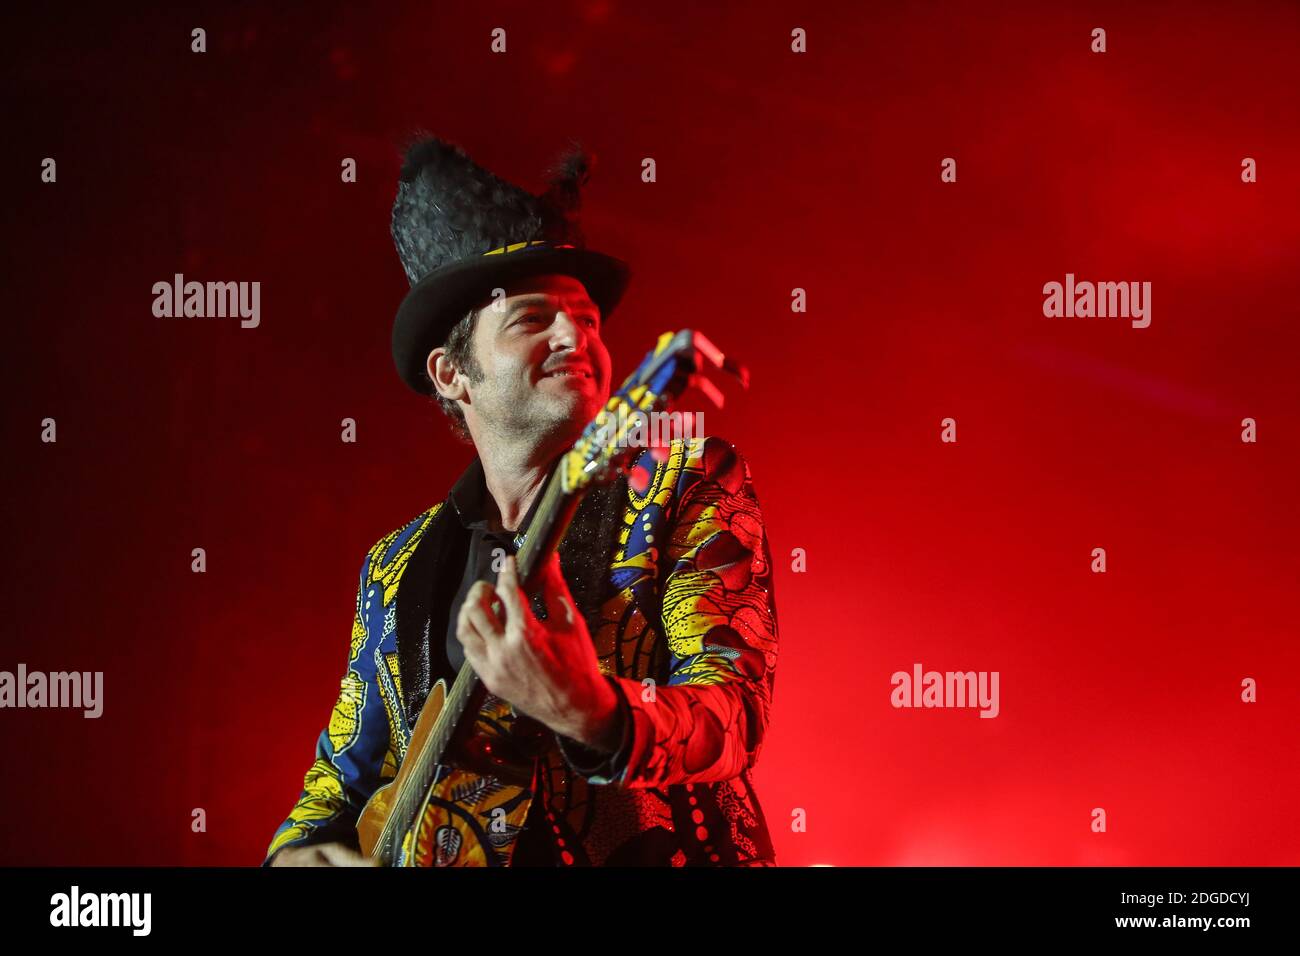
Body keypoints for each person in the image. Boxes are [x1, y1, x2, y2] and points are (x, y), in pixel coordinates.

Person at [264, 136, 779, 866]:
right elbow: (340, 779)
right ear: (451, 374)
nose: (579, 334)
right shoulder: (393, 567)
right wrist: (296, 857)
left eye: (589, 319)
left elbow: (734, 716)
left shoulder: (684, 484)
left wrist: (593, 712)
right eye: (533, 320)